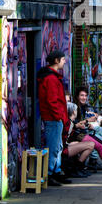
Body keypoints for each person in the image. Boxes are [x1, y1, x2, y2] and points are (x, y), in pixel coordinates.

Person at [37, 50, 71, 187]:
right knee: (53, 146)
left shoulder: (52, 77)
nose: (64, 61)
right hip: (53, 118)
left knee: (57, 146)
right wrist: (59, 117)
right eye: (63, 59)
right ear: (56, 61)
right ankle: (50, 174)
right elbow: (52, 100)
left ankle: (56, 171)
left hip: (55, 118)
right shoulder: (51, 79)